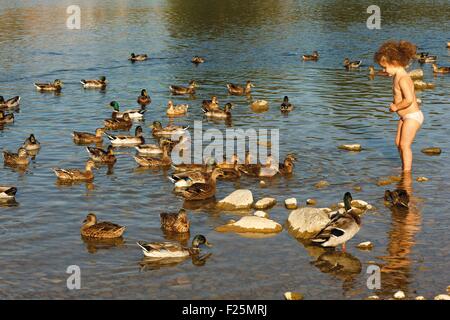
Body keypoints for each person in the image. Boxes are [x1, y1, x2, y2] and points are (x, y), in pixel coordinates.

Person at [375, 41, 422, 172]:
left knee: (404, 144)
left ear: (394, 63)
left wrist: (396, 107)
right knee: (398, 143)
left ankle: (407, 171)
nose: (384, 70)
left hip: (412, 116)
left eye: (385, 67)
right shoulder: (397, 77)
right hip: (405, 116)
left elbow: (408, 100)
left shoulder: (403, 79)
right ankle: (404, 167)